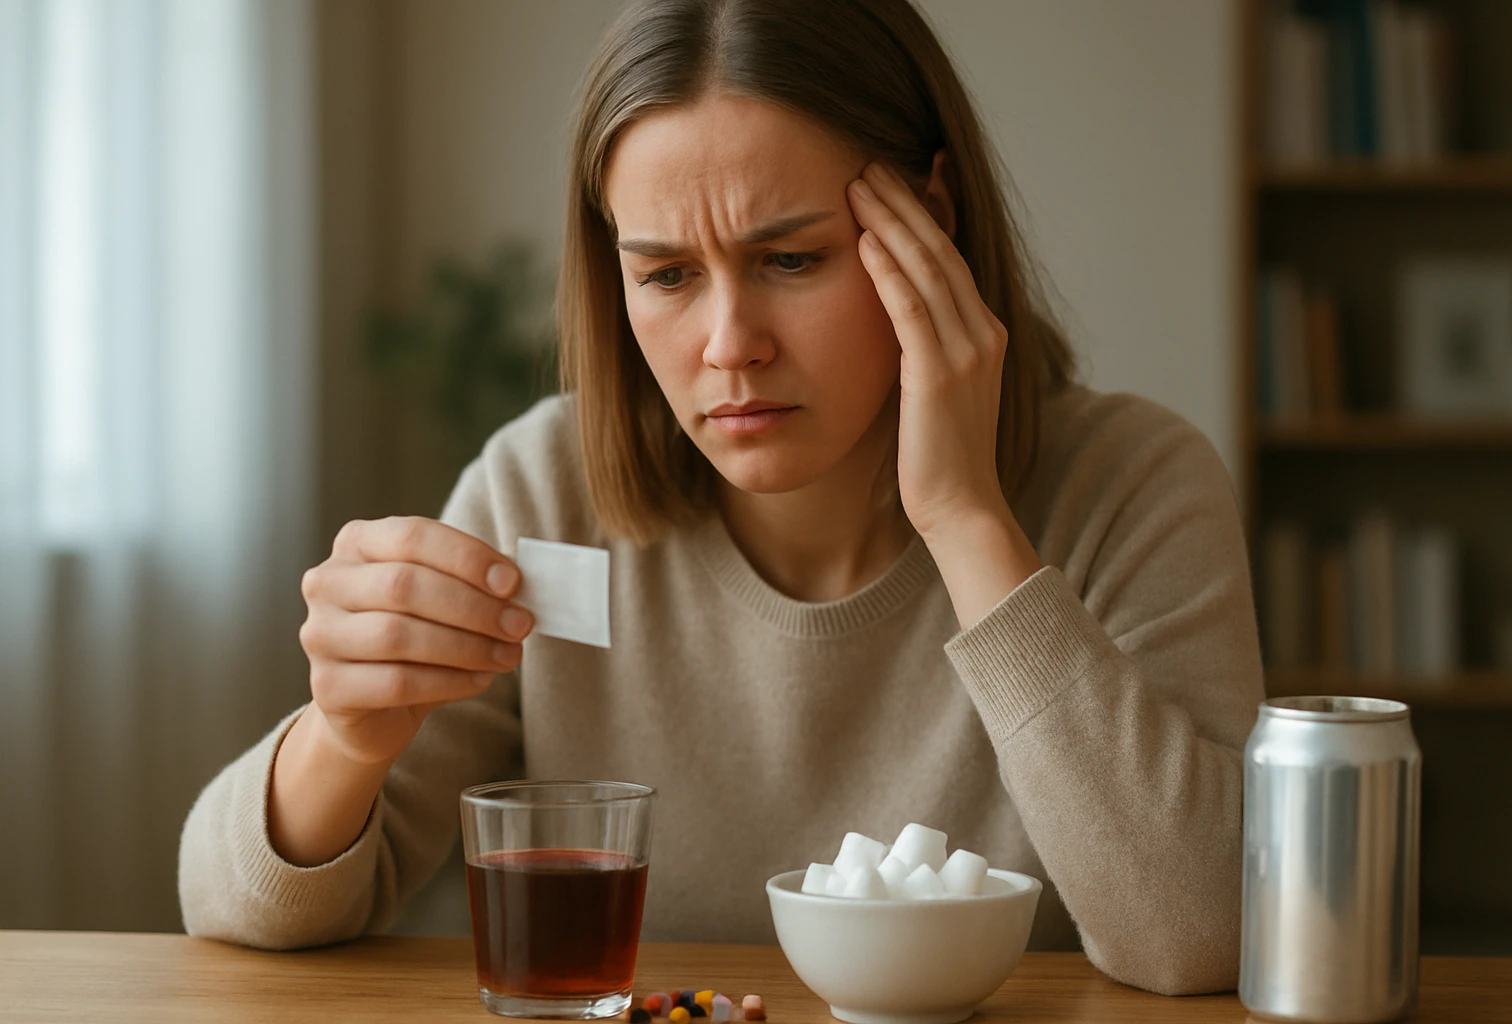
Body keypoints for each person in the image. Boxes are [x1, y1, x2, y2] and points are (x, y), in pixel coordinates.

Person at [178, 0, 1263, 997]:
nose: (729, 346)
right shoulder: (544, 490)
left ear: (929, 224)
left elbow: (1203, 934)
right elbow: (231, 903)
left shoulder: (1135, 487)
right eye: (665, 276)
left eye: (790, 259)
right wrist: (345, 734)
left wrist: (966, 517)